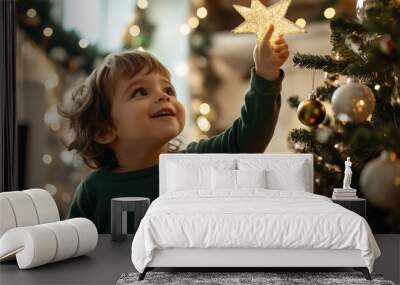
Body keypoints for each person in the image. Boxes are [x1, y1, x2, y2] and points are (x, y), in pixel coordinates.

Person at [58, 24, 289, 233]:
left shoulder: (196, 162)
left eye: (168, 90)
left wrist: (265, 76)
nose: (162, 96)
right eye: (140, 92)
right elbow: (74, 250)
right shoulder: (92, 191)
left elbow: (248, 138)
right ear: (104, 131)